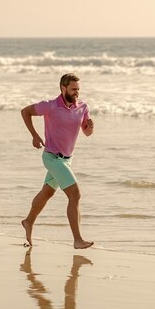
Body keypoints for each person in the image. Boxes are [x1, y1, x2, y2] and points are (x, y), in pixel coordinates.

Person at [20, 73, 94, 249]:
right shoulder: (50, 106)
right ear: (63, 88)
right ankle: (77, 240)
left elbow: (87, 132)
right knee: (75, 194)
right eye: (73, 89)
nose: (77, 92)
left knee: (47, 193)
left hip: (67, 160)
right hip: (52, 158)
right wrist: (35, 135)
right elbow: (25, 111)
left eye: (78, 89)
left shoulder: (82, 107)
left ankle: (28, 221)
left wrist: (90, 127)